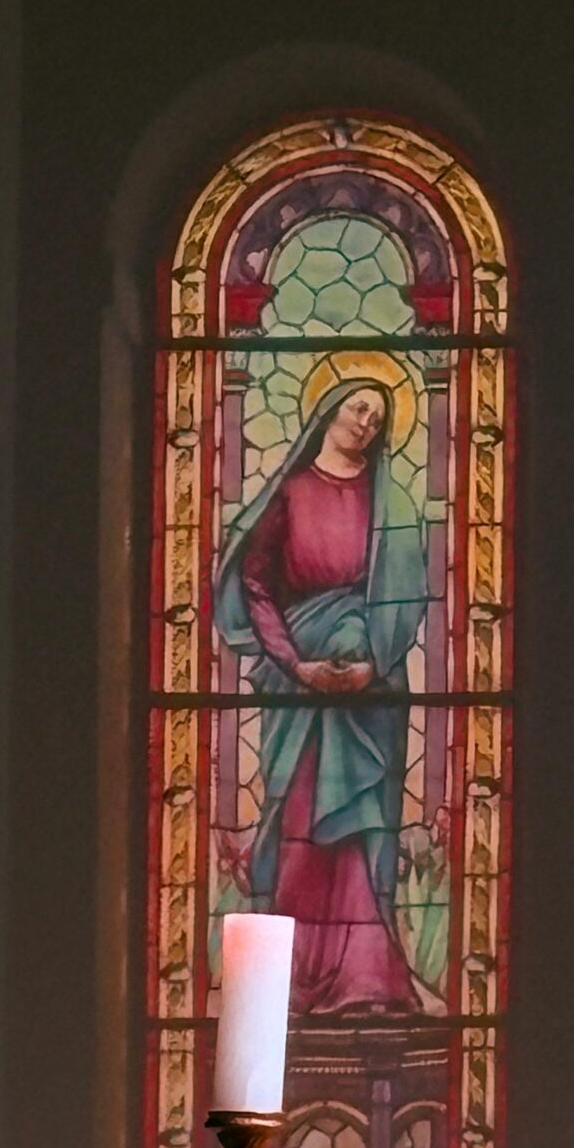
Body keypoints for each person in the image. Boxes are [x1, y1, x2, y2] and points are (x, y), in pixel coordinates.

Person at [212, 377, 429, 1014]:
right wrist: (297, 665)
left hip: (371, 691)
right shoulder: (290, 493)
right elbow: (254, 588)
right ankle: (281, 985)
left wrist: (371, 667)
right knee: (299, 821)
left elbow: (406, 597)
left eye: (378, 416)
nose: (365, 421)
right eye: (357, 406)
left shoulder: (393, 504)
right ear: (327, 410)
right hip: (299, 686)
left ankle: (366, 979)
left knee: (361, 829)